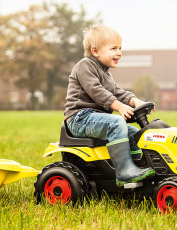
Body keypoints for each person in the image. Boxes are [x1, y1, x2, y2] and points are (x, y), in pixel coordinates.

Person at [64, 25, 155, 187]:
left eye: (120, 48)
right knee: (117, 122)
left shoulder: (105, 73)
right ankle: (125, 171)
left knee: (135, 133)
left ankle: (137, 168)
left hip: (94, 119)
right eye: (113, 48)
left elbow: (118, 92)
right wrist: (119, 107)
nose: (119, 52)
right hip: (79, 118)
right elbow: (96, 90)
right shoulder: (84, 66)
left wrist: (136, 102)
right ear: (95, 51)